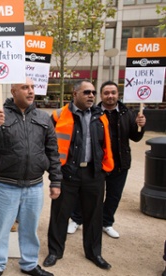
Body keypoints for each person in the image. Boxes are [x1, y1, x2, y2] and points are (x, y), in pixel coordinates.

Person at [0, 77, 61, 276]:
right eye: (25, 87)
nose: (31, 91)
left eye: (32, 87)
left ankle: (29, 264)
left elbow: (52, 151)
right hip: (6, 185)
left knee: (30, 229)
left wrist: (56, 180)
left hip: (34, 186)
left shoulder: (43, 118)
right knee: (1, 229)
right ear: (13, 91)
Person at [44, 80, 114, 270]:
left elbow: (105, 144)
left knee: (94, 216)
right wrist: (55, 172)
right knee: (60, 214)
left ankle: (94, 253)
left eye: (93, 92)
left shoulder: (101, 116)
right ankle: (55, 252)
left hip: (94, 174)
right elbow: (48, 145)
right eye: (86, 92)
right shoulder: (58, 115)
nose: (91, 95)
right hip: (68, 173)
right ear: (75, 94)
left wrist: (104, 169)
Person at [67, 80, 146, 238]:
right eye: (106, 93)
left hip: (119, 163)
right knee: (86, 194)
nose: (110, 96)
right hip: (96, 163)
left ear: (118, 95)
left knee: (114, 195)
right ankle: (76, 219)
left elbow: (136, 137)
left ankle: (106, 222)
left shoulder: (128, 113)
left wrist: (141, 126)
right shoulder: (92, 112)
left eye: (113, 93)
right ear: (101, 95)